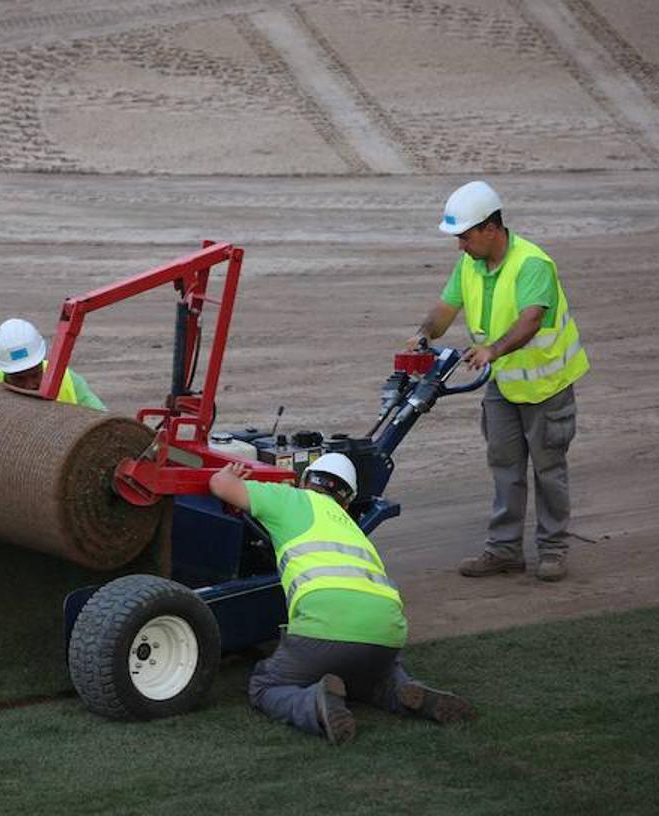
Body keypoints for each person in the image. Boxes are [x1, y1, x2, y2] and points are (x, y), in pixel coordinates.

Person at [209, 454, 475, 745]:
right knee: (370, 676)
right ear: (347, 502)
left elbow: (220, 484)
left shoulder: (290, 499)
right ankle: (403, 691)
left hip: (323, 629)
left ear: (304, 480)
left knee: (265, 686)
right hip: (387, 634)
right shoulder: (354, 531)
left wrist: (231, 472)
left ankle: (315, 705)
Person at [407, 181, 589, 582]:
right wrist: (424, 334)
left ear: (491, 228)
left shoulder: (532, 265)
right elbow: (445, 308)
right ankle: (504, 550)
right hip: (503, 387)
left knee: (548, 470)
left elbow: (531, 319)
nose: (461, 246)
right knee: (505, 466)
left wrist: (493, 350)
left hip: (547, 387)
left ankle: (553, 549)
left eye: (465, 237)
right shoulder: (470, 265)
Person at [0, 318, 107, 411]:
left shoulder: (67, 380)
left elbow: (102, 420)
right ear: (4, 371)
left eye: (35, 375)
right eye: (19, 378)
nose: (29, 385)